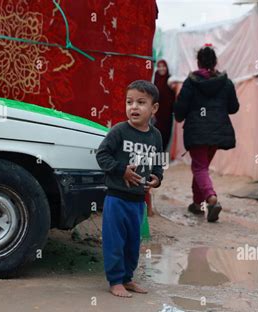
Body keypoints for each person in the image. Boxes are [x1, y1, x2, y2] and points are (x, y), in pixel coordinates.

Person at [96, 80, 164, 298]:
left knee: (133, 243)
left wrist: (157, 179)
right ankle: (115, 281)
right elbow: (102, 155)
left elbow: (158, 164)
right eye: (129, 102)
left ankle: (127, 278)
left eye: (141, 102)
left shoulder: (156, 136)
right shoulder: (119, 131)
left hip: (138, 200)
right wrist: (120, 170)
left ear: (154, 108)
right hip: (116, 197)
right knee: (114, 240)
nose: (134, 107)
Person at [174, 45, 239, 222]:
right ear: (215, 61)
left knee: (199, 167)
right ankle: (197, 205)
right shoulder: (225, 82)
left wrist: (179, 116)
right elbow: (234, 108)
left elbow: (181, 107)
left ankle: (211, 198)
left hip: (196, 131)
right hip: (217, 133)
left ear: (199, 62)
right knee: (200, 167)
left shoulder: (191, 81)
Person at [153, 60, 176, 152]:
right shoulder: (156, 78)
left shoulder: (170, 80)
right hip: (156, 114)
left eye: (163, 66)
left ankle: (161, 159)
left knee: (166, 135)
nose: (161, 68)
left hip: (167, 114)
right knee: (156, 135)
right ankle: (154, 158)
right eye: (159, 66)